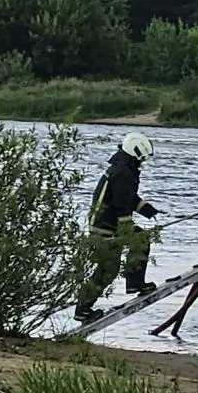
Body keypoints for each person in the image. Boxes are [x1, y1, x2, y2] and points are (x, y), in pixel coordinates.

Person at [76, 132, 161, 322]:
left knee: (110, 267)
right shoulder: (123, 173)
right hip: (105, 228)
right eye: (142, 158)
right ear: (135, 154)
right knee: (108, 268)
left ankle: (133, 284)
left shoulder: (121, 170)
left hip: (105, 225)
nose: (143, 162)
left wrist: (147, 210)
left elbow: (128, 198)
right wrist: (127, 229)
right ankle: (85, 308)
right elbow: (121, 204)